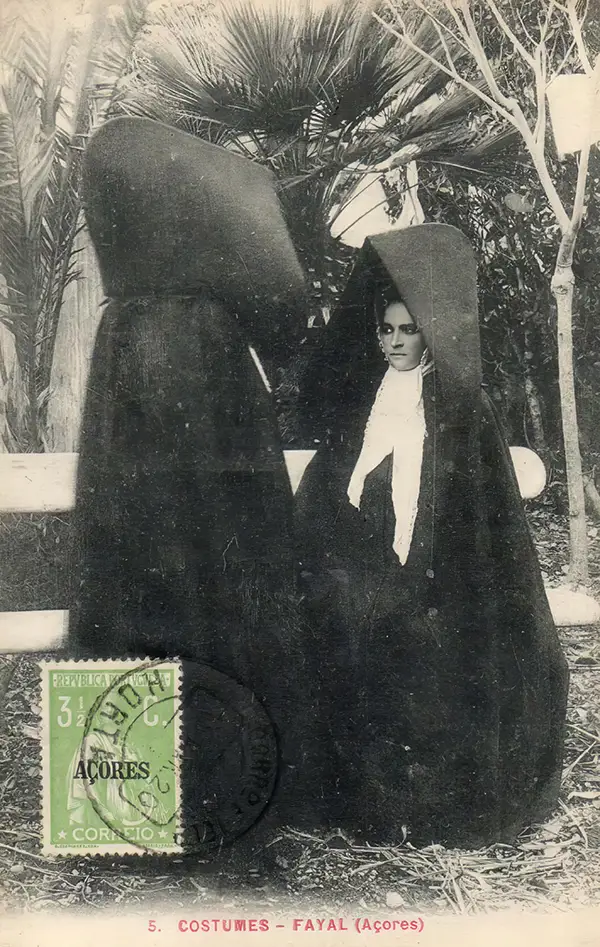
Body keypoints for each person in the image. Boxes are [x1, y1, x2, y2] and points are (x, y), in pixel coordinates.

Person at [68, 116, 318, 837]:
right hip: (211, 378)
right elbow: (285, 299)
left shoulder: (115, 161)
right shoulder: (231, 187)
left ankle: (124, 810)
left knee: (132, 575)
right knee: (227, 574)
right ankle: (237, 794)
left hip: (130, 370)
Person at [294, 223, 569, 849]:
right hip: (368, 572)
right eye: (385, 330)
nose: (394, 342)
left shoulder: (462, 411)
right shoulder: (366, 401)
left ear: (429, 332)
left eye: (407, 329)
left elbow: (480, 527)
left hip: (440, 580)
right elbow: (333, 492)